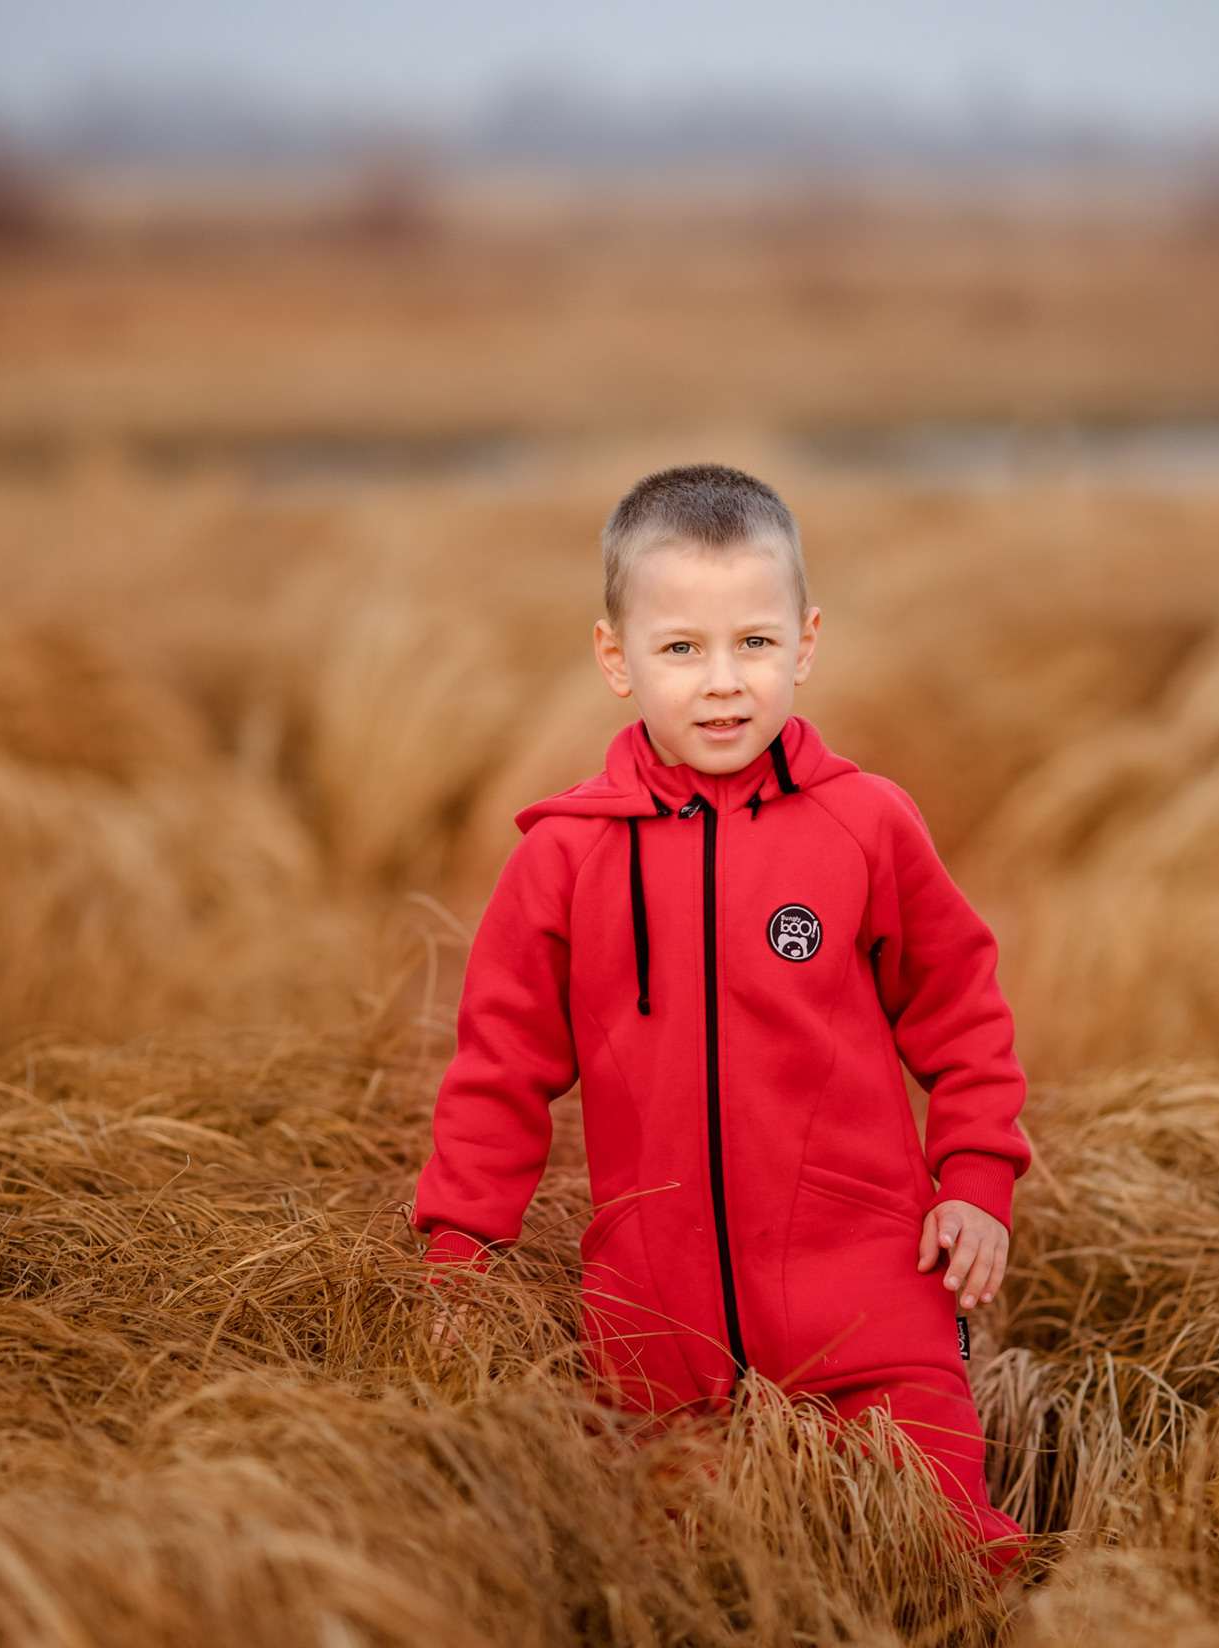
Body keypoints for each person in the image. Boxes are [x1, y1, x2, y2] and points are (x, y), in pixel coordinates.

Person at [412, 463, 1029, 1560]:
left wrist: (976, 1176)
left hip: (874, 1317)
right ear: (616, 658)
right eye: (680, 648)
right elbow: (496, 1071)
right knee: (678, 1593)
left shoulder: (866, 826)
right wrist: (460, 1254)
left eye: (753, 641)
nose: (722, 683)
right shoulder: (563, 858)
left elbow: (962, 1010)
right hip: (656, 1344)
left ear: (805, 642)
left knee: (945, 1559)